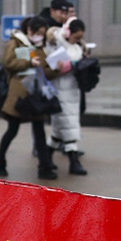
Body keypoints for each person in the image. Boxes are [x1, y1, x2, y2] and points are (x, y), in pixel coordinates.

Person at [0, 16, 60, 180]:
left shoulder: (41, 47)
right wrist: (29, 63)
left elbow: (45, 71)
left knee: (39, 131)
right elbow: (8, 63)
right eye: (38, 33)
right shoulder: (15, 42)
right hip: (19, 94)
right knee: (12, 129)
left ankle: (44, 167)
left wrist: (57, 68)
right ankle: (0, 161)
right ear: (29, 30)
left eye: (42, 34)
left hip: (36, 94)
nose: (40, 37)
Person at [48, 18, 87, 175]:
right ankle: (74, 161)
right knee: (69, 125)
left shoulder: (77, 46)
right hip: (60, 89)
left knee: (60, 129)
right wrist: (70, 64)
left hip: (73, 90)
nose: (77, 40)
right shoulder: (55, 43)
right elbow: (52, 66)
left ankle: (46, 157)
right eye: (76, 37)